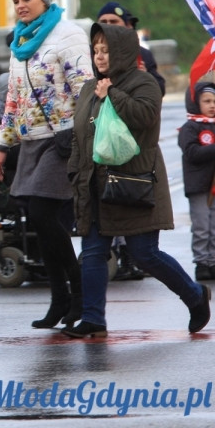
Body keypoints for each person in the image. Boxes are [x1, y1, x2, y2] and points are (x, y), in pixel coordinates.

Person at [65, 23, 211, 338]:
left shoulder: (143, 83)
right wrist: (76, 170)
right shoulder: (91, 87)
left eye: (105, 50)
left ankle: (195, 296)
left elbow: (144, 118)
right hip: (95, 185)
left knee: (145, 254)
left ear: (122, 51)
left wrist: (112, 94)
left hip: (133, 183)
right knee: (92, 252)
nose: (99, 56)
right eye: (96, 50)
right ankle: (93, 319)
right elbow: (82, 132)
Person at [0, 0, 93, 331]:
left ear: (44, 0)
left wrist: (79, 136)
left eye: (26, 0)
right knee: (41, 222)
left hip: (63, 139)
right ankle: (59, 299)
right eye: (16, 0)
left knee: (43, 214)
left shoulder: (68, 35)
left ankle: (79, 296)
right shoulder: (21, 41)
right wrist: (3, 146)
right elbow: (13, 100)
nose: (20, 6)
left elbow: (85, 89)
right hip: (32, 140)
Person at [97, 0, 163, 280]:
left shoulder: (142, 60)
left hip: (133, 157)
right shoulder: (95, 67)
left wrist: (118, 91)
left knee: (143, 247)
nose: (108, 27)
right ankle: (89, 313)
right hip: (101, 157)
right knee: (94, 247)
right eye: (104, 22)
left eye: (114, 22)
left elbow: (150, 103)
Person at [178, 76, 215, 281]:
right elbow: (192, 153)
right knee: (202, 225)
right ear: (196, 102)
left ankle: (213, 260)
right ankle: (202, 261)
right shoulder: (190, 127)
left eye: (214, 102)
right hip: (200, 186)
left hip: (214, 186)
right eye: (207, 101)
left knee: (214, 226)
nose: (212, 106)